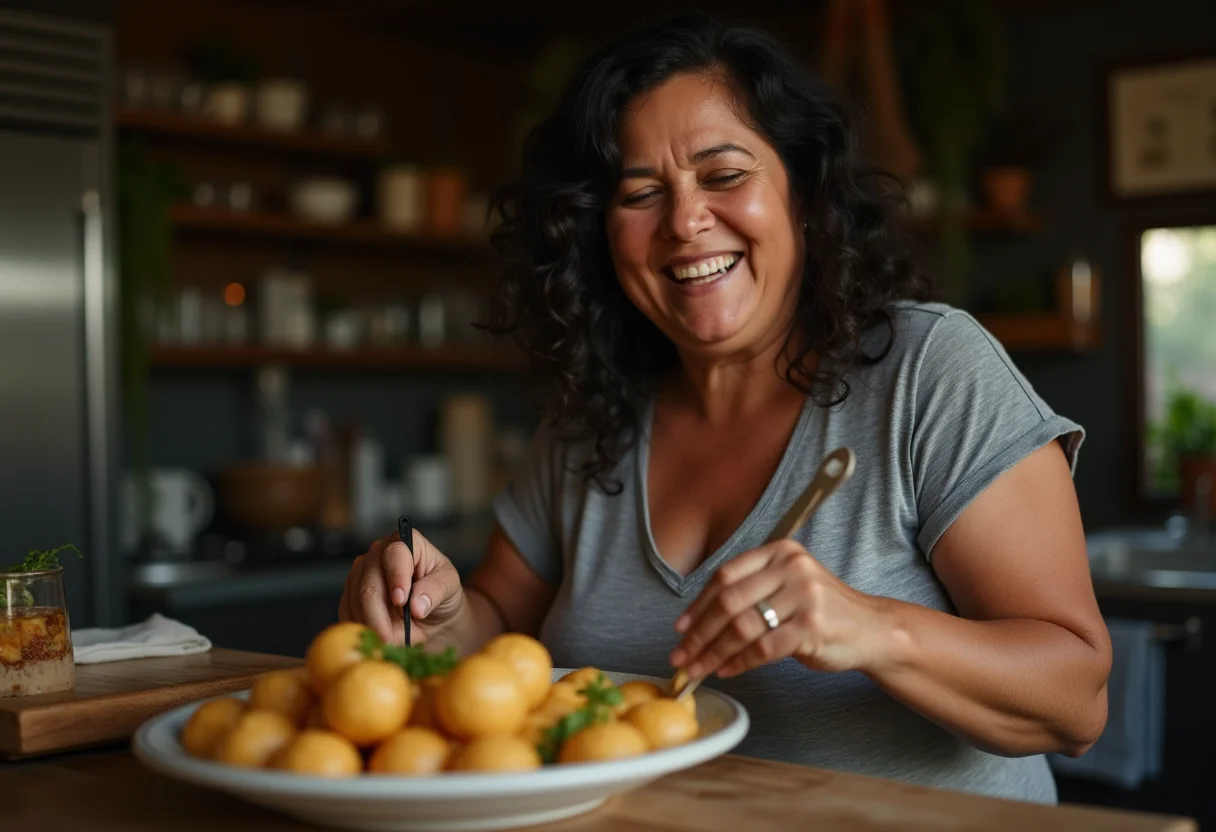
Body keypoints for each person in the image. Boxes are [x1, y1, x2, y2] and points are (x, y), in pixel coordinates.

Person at [340, 15, 1110, 803]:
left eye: (723, 174)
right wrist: (437, 621)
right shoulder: (591, 419)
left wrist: (873, 629)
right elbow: (496, 627)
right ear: (601, 237)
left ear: (802, 192)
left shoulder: (929, 370)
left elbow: (1076, 700)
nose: (684, 221)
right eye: (641, 193)